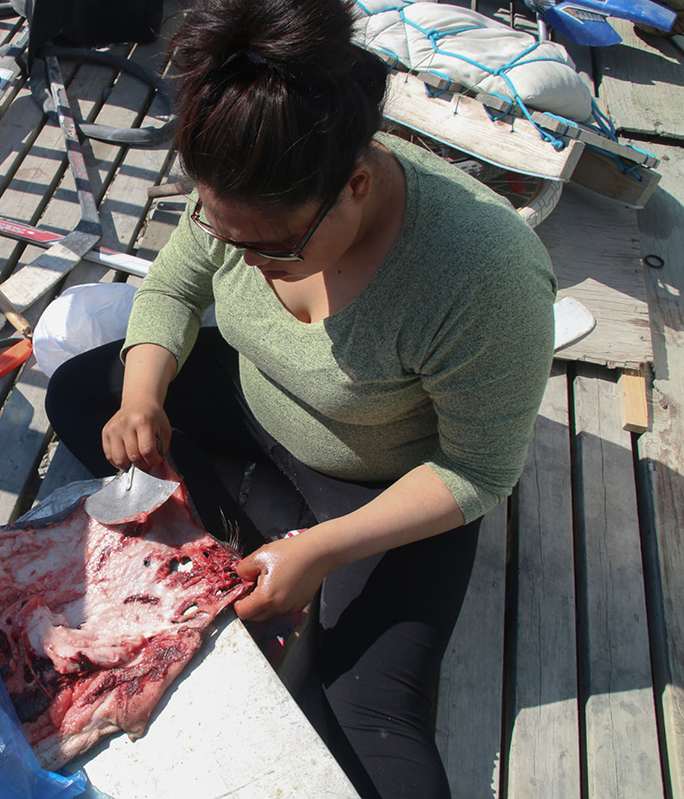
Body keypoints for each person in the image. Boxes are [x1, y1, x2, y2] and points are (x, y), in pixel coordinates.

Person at [44, 0, 556, 795]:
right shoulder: (252, 173)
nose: (242, 263)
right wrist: (144, 393)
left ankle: (285, 554)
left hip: (383, 476)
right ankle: (242, 555)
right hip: (258, 394)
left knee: (368, 719)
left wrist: (323, 550)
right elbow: (176, 285)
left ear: (355, 185)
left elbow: (479, 470)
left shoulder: (485, 275)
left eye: (272, 250)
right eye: (226, 235)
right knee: (86, 392)